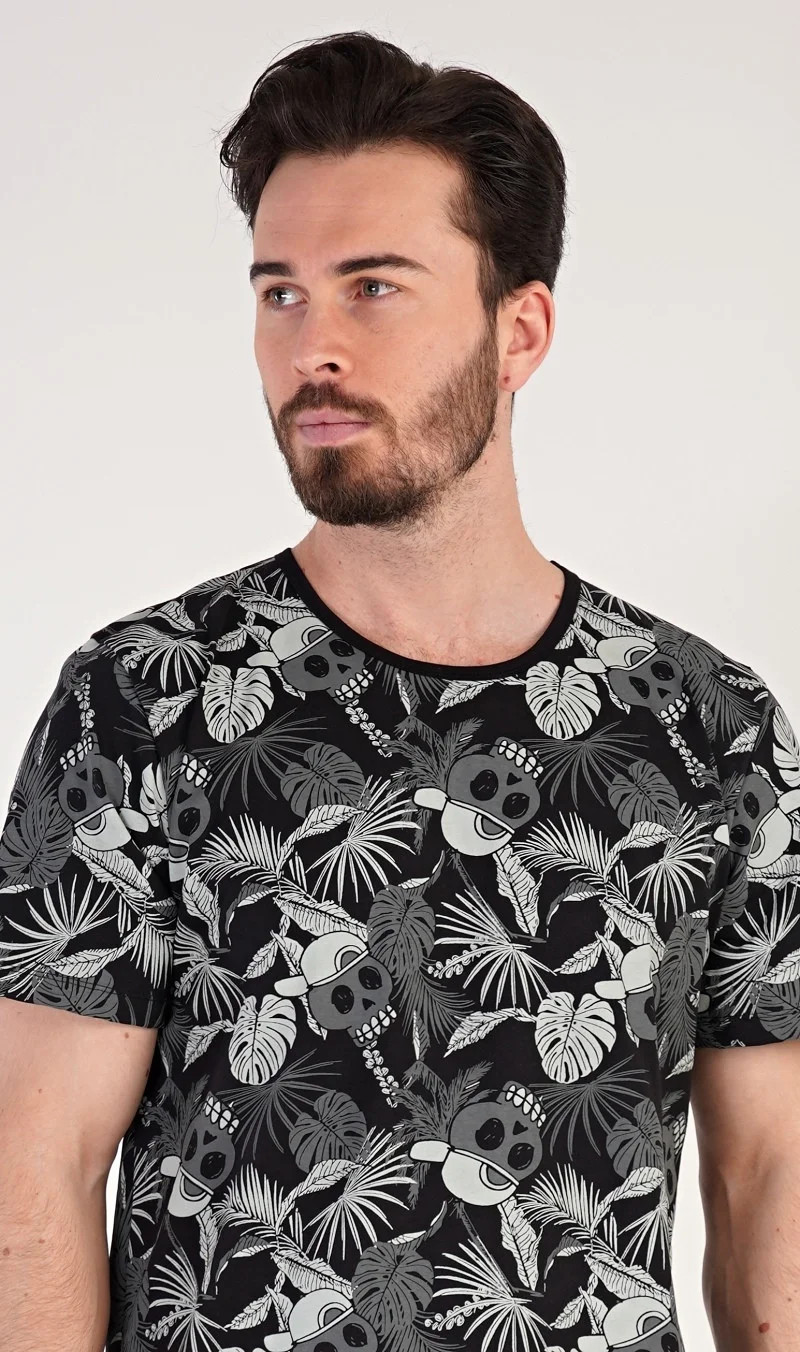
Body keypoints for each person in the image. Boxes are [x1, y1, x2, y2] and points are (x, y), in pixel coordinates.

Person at [0, 30, 797, 1352]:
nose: (312, 345)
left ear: (518, 330)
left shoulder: (711, 731)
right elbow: (34, 1176)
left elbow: (771, 1186)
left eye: (372, 287)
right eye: (280, 293)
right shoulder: (140, 703)